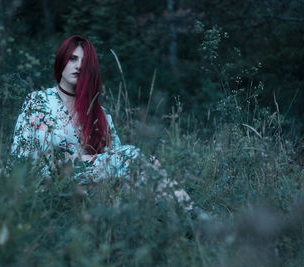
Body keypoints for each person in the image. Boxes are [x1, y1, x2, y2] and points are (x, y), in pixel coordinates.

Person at [11, 35, 192, 207]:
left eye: (84, 62)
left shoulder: (100, 113)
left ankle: (184, 218)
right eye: (72, 59)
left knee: (145, 167)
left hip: (96, 188)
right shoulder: (38, 101)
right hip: (55, 184)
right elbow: (20, 153)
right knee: (133, 155)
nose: (78, 66)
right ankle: (189, 215)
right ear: (61, 61)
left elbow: (117, 160)